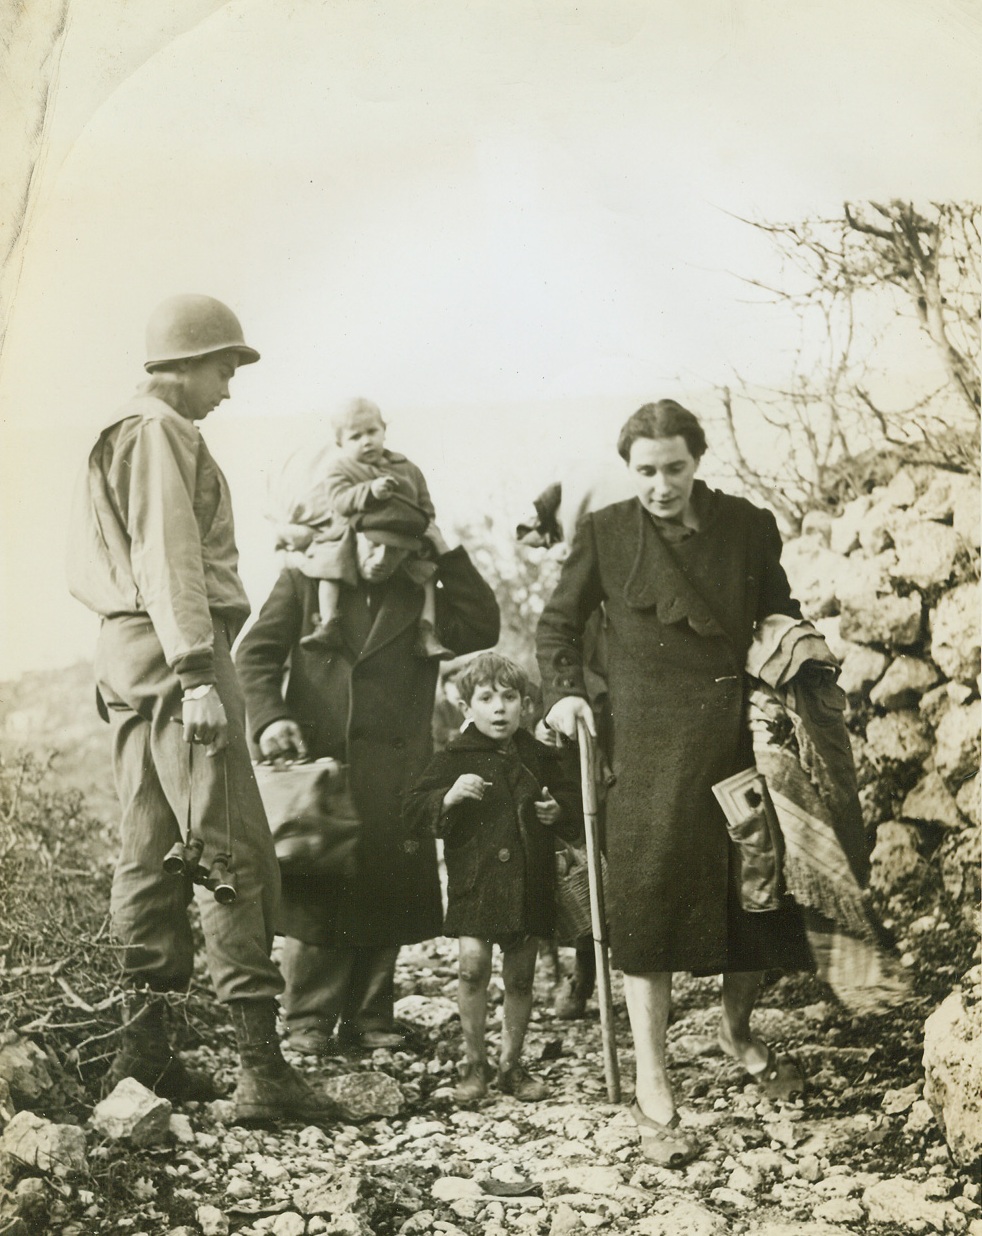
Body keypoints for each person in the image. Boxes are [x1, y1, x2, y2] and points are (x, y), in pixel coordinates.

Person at [66, 293, 337, 1125]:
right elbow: (167, 554)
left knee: (149, 848)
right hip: (174, 649)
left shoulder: (126, 428)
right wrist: (194, 673)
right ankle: (262, 1068)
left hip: (127, 653)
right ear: (185, 362)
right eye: (225, 366)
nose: (229, 385)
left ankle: (143, 1059)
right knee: (229, 849)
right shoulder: (158, 431)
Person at [536, 399, 812, 1168]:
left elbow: (777, 611)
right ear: (629, 470)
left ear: (698, 461)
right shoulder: (606, 532)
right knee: (649, 905)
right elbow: (557, 625)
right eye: (646, 471)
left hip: (731, 737)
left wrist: (797, 652)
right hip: (647, 746)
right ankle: (654, 1077)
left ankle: (737, 1032)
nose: (661, 485)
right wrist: (564, 693)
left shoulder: (747, 526)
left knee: (752, 892)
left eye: (676, 469)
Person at [235, 515, 500, 1055]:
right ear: (354, 536)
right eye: (375, 545)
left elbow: (481, 627)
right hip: (322, 764)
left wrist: (448, 553)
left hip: (397, 770)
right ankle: (308, 1019)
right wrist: (269, 719)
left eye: (398, 550)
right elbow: (253, 656)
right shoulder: (305, 581)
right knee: (317, 889)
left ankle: (371, 1016)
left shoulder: (419, 591)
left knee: (387, 889)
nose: (383, 559)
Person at [402, 652, 582, 1104]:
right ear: (467, 709)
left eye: (509, 698)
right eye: (486, 699)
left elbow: (572, 797)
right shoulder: (452, 757)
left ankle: (511, 1067)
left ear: (526, 705)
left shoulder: (538, 755)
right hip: (476, 881)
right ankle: (473, 1064)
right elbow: (412, 809)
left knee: (521, 978)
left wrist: (559, 809)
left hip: (529, 883)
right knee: (471, 968)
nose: (499, 708)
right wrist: (448, 796)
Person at [273, 397, 451, 659]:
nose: (366, 441)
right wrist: (369, 491)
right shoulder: (339, 468)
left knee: (426, 573)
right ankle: (329, 621)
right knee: (329, 565)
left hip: (402, 536)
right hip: (353, 532)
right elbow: (339, 500)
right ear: (340, 443)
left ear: (384, 431)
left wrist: (426, 528)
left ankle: (426, 631)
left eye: (372, 432)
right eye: (355, 436)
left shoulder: (407, 468)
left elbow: (424, 503)